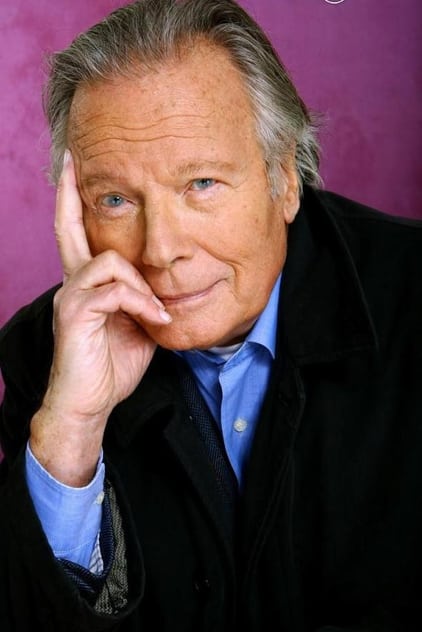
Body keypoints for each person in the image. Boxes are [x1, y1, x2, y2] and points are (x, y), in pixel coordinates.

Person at [0, 0, 421, 630]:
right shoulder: (46, 354)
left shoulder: (411, 291)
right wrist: (74, 431)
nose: (160, 250)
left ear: (284, 178)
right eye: (115, 200)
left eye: (201, 184)